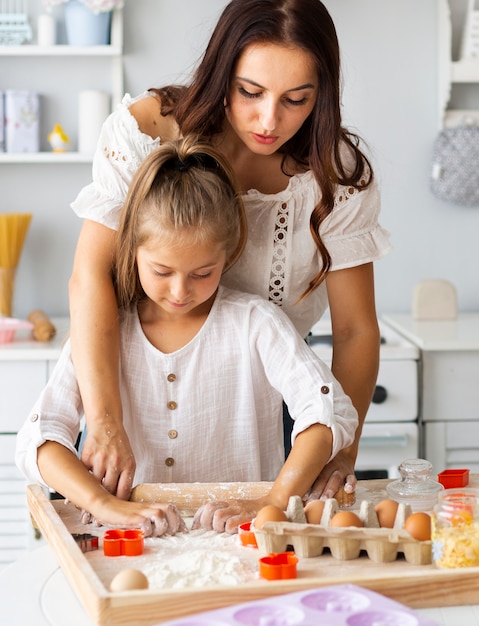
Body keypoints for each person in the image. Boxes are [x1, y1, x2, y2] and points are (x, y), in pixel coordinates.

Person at [68, 0, 391, 507]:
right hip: (139, 390)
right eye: (250, 92)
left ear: (321, 95)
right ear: (223, 73)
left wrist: (341, 452)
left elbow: (355, 330)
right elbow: (91, 278)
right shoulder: (146, 133)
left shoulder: (337, 177)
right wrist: (105, 421)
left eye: (297, 99)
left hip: (266, 403)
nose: (269, 120)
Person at [15, 136, 358, 536]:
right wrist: (104, 505)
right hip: (131, 544)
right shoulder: (106, 333)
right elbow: (37, 442)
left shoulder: (256, 324)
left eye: (202, 273)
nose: (180, 291)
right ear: (133, 249)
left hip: (239, 544)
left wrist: (273, 502)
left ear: (227, 255)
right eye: (162, 272)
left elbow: (329, 413)